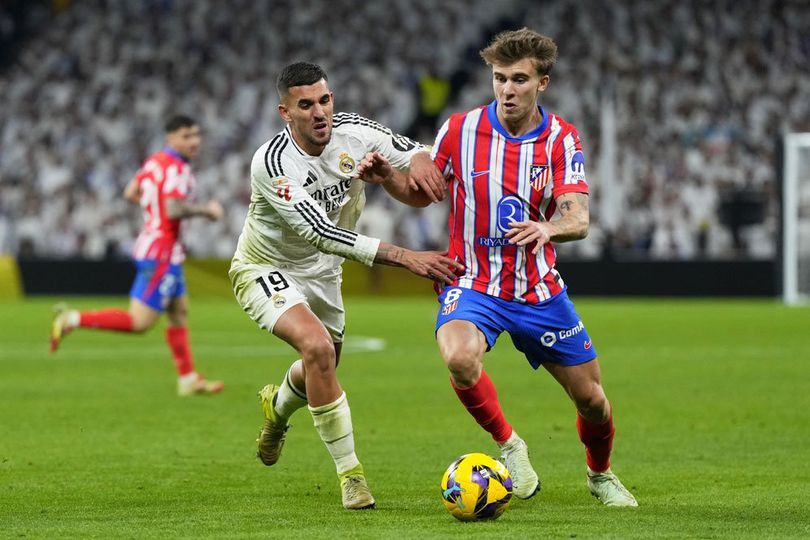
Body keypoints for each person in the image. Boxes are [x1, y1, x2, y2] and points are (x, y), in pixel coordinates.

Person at [356, 28, 638, 507]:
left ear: (542, 83)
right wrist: (389, 179)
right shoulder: (459, 130)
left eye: (519, 79)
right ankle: (510, 445)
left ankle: (600, 474)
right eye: (500, 78)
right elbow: (422, 195)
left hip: (537, 289)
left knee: (592, 400)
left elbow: (578, 218)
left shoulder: (560, 139)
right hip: (473, 281)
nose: (507, 89)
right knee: (459, 358)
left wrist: (548, 228)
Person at [229, 62, 463, 510]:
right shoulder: (273, 163)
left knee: (324, 363)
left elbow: (411, 151)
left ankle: (277, 409)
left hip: (324, 272)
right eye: (305, 105)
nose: (319, 113)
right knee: (317, 348)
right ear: (285, 113)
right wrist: (406, 257)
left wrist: (418, 160)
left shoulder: (354, 131)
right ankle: (351, 476)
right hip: (266, 267)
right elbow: (321, 232)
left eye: (324, 100)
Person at [50, 115, 225, 398]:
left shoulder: (155, 161)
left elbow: (130, 192)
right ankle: (73, 319)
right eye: (186, 136)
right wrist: (208, 211)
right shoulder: (177, 168)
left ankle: (188, 379)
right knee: (139, 322)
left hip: (159, 248)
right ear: (171, 138)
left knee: (179, 312)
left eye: (196, 134)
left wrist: (153, 208)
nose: (194, 141)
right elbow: (173, 209)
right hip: (162, 253)